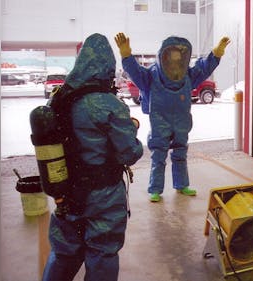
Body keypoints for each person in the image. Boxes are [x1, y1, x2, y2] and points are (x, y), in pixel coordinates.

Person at [42, 33, 143, 281]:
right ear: (108, 66)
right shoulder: (109, 105)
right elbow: (130, 152)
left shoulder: (60, 98)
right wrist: (133, 129)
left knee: (65, 250)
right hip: (103, 195)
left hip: (66, 190)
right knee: (102, 251)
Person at [114, 32, 230, 202]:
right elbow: (136, 72)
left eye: (179, 59)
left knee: (180, 153)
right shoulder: (153, 76)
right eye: (172, 58)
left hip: (181, 121)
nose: (175, 63)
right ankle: (155, 189)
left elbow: (204, 68)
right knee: (159, 155)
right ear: (164, 57)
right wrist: (126, 55)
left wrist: (216, 53)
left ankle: (181, 185)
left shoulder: (187, 76)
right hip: (160, 121)